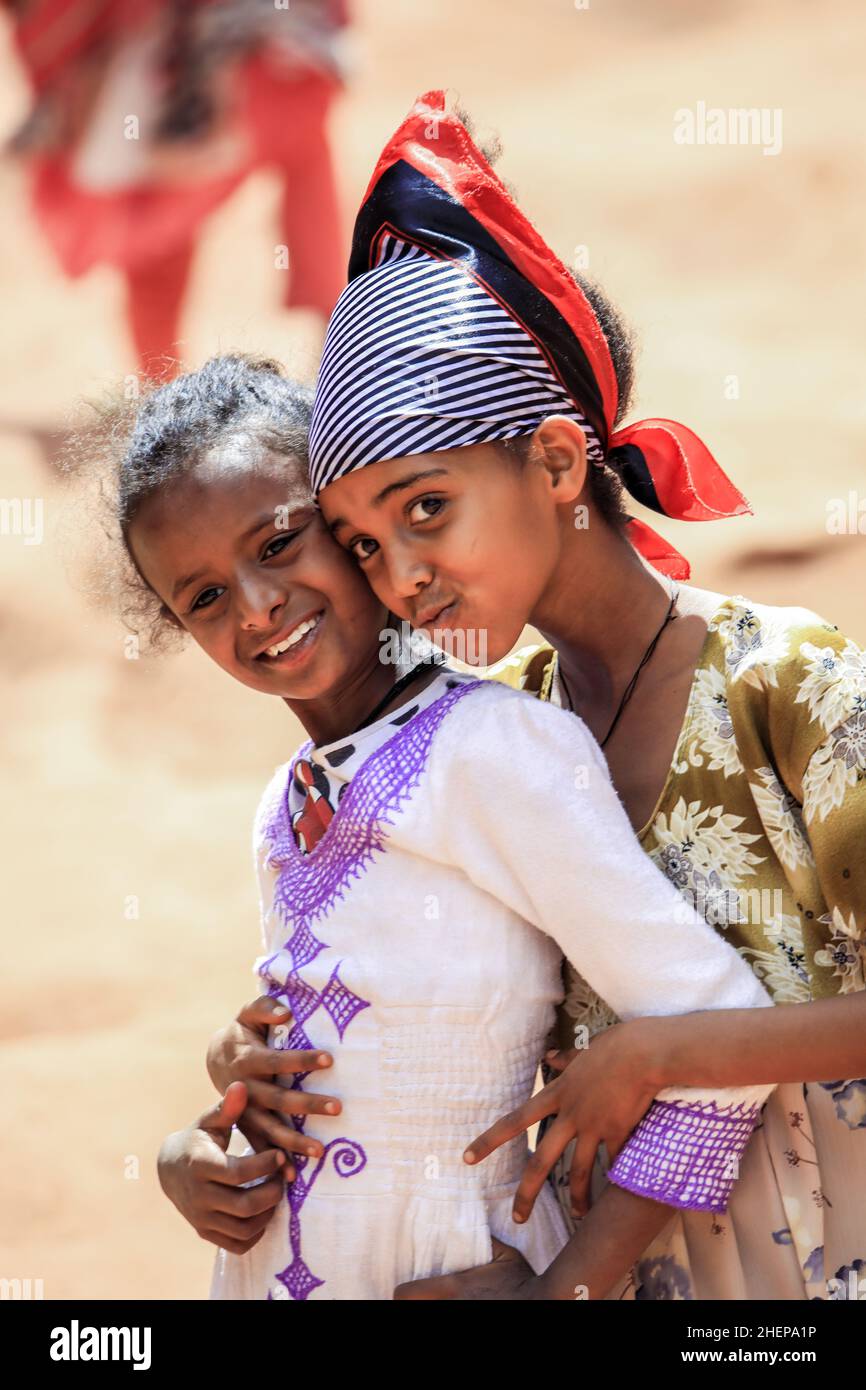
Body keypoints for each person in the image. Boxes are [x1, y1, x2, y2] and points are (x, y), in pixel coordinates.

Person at [306, 90, 866, 1300]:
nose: (400, 578)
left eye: (424, 508)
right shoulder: (496, 736)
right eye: (359, 544)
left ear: (558, 462)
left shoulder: (787, 682)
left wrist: (668, 1049)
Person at [77, 351, 779, 1300]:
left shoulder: (499, 748)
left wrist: (564, 1292)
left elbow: (718, 1040)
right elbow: (320, 1071)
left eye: (279, 544)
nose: (256, 605)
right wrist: (195, 1154)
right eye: (202, 598)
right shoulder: (283, 807)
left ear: (345, 523)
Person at [2, 0, 348, 373]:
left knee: (157, 222)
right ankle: (341, 348)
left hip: (230, 73)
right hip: (172, 88)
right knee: (158, 225)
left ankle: (341, 348)